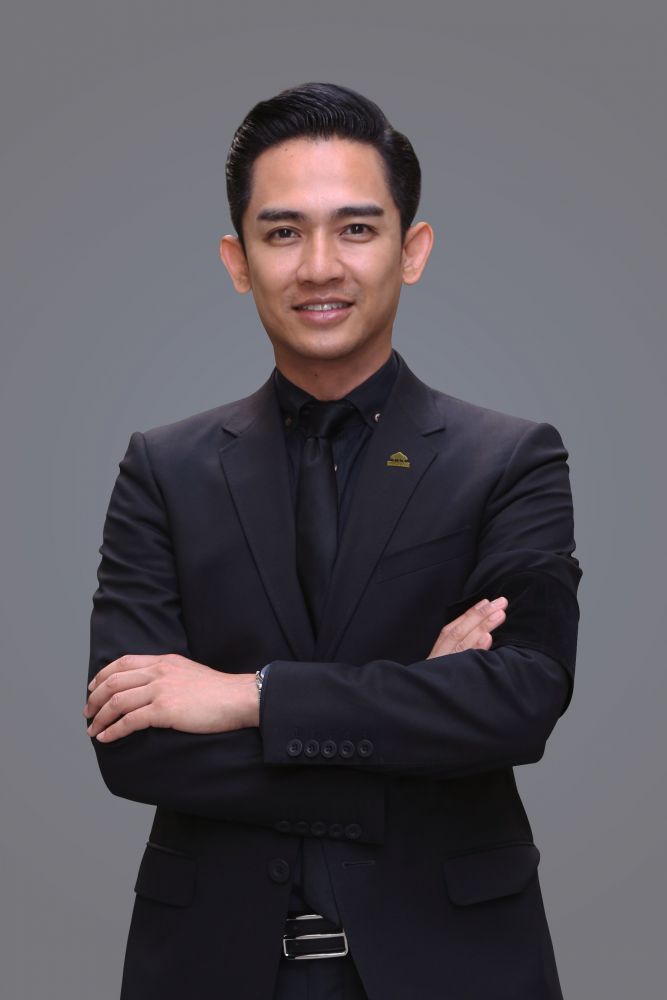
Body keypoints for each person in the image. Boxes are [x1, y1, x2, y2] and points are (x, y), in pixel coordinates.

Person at [84, 82, 581, 1000]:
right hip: (208, 968)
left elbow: (519, 701)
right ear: (238, 261)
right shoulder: (164, 468)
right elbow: (133, 742)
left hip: (455, 965)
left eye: (355, 229)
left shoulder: (510, 459)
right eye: (282, 232)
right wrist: (419, 719)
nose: (319, 266)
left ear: (411, 250)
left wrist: (246, 697)